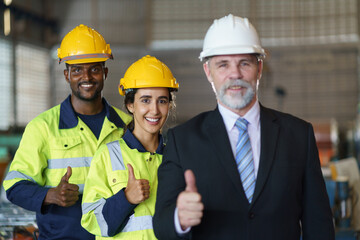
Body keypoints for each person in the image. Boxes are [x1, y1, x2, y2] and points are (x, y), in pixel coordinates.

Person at [153, 14, 335, 240]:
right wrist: (179, 217)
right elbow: (161, 224)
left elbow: (319, 225)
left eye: (244, 63)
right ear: (208, 71)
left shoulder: (298, 135)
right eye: (223, 65)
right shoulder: (183, 140)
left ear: (259, 68)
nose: (235, 74)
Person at [2, 24, 132, 240]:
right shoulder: (43, 127)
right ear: (66, 75)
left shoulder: (126, 125)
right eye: (77, 69)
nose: (87, 77)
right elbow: (14, 187)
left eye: (95, 69)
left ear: (105, 73)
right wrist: (50, 195)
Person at [81, 55, 179, 239]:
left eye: (162, 101)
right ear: (130, 105)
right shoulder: (108, 155)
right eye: (145, 100)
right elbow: (91, 220)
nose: (155, 110)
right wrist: (125, 199)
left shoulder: (176, 157)